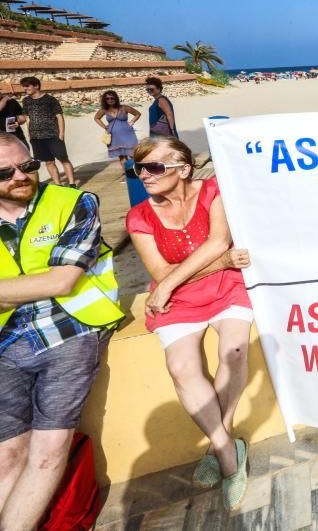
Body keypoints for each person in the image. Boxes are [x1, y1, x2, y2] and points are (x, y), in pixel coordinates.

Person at [0, 133, 122, 530]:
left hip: (69, 330)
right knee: (7, 456)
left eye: (28, 166)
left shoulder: (73, 202)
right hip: (6, 342)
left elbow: (61, 282)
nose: (20, 176)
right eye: (5, 172)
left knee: (49, 451)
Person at [126, 136, 252, 510]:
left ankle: (223, 452)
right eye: (139, 168)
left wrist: (219, 265)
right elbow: (161, 270)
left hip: (225, 288)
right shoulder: (140, 217)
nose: (144, 176)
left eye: (153, 167)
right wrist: (219, 262)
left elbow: (218, 242)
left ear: (183, 169)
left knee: (234, 350)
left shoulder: (214, 191)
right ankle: (227, 448)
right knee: (181, 368)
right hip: (179, 297)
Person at [20, 77, 77, 188]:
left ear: (36, 86)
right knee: (48, 162)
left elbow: (59, 116)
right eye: (24, 86)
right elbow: (27, 118)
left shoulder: (50, 99)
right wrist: (30, 135)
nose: (25, 88)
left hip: (53, 135)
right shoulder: (26, 101)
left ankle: (72, 184)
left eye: (27, 86)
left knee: (63, 159)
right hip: (36, 137)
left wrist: (61, 134)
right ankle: (58, 185)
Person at [93, 91, 141, 173]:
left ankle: (139, 172)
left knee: (133, 154)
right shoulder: (104, 110)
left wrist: (132, 122)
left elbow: (138, 114)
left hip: (128, 134)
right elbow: (96, 118)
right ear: (105, 100)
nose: (110, 100)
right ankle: (128, 175)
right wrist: (104, 126)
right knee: (122, 156)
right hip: (114, 136)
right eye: (107, 98)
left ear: (116, 98)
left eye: (112, 98)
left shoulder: (124, 107)